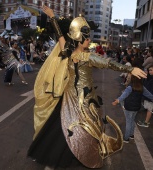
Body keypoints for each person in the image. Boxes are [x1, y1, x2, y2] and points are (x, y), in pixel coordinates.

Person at [27, 5, 147, 169]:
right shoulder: (87, 56)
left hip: (72, 96)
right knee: (84, 126)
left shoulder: (69, 51)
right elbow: (109, 63)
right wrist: (130, 69)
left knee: (65, 125)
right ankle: (77, 155)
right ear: (81, 39)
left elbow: (60, 35)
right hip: (82, 99)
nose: (89, 40)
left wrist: (53, 17)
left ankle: (65, 155)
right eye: (88, 38)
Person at [112, 75, 153, 143]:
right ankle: (131, 135)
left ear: (133, 78)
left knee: (128, 122)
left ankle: (126, 138)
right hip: (136, 108)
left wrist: (117, 101)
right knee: (132, 120)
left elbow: (123, 96)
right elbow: (150, 96)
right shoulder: (142, 87)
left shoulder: (130, 87)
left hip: (129, 107)